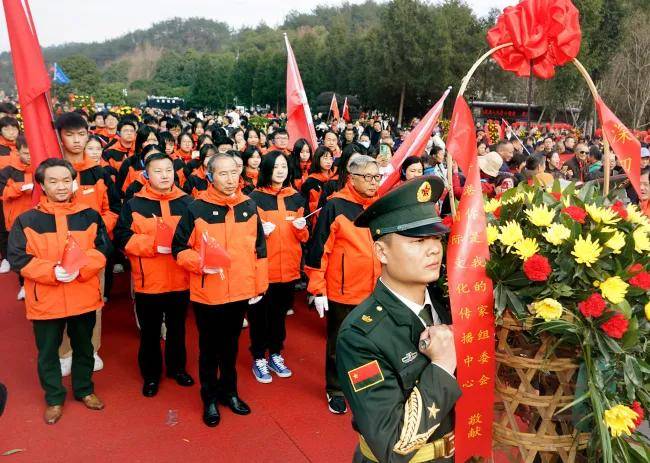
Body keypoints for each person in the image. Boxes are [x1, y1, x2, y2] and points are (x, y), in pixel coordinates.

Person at [336, 175, 459, 463]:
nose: (433, 249)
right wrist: (441, 366)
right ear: (382, 251)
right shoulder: (360, 335)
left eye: (436, 238)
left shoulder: (446, 305)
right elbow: (392, 445)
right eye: (417, 241)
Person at [7, 158, 112, 425]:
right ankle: (54, 397)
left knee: (84, 348)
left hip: (82, 295)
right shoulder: (27, 220)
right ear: (41, 184)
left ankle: (84, 389)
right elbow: (18, 257)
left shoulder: (89, 215)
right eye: (53, 181)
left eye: (66, 180)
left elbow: (103, 249)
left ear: (74, 182)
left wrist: (83, 267)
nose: (61, 186)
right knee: (47, 352)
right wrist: (51, 272)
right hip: (46, 299)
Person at [172, 153, 268, 427]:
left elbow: (260, 249)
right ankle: (209, 398)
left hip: (239, 291)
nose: (229, 179)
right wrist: (200, 264)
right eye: (222, 174)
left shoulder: (249, 206)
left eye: (233, 173)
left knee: (231, 346)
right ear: (210, 176)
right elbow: (179, 249)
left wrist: (259, 285)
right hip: (209, 292)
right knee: (209, 348)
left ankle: (230, 392)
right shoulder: (196, 208)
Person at [305, 154, 381, 414]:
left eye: (377, 177)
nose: (373, 183)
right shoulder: (335, 206)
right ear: (353, 178)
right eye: (368, 177)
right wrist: (317, 288)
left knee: (370, 342)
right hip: (343, 289)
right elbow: (318, 250)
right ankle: (335, 389)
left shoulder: (379, 205)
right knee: (339, 344)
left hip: (374, 290)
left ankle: (363, 384)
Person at [115, 153, 194, 397]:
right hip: (148, 281)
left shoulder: (188, 202)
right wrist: (151, 245)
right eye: (158, 171)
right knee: (149, 332)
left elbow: (198, 234)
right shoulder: (134, 204)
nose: (164, 175)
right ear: (147, 175)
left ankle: (177, 368)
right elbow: (121, 236)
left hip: (180, 279)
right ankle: (151, 375)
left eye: (169, 170)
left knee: (178, 328)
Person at [55, 112, 121, 374]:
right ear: (59, 136)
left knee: (92, 301)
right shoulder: (52, 170)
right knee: (61, 302)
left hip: (93, 249)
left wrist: (98, 231)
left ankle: (91, 350)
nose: (76, 140)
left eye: (81, 134)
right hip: (58, 248)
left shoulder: (99, 172)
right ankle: (64, 352)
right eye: (69, 134)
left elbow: (113, 208)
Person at [248, 152, 308, 383]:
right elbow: (244, 236)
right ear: (267, 170)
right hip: (264, 269)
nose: (281, 171)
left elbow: (304, 237)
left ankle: (275, 353)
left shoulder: (296, 198)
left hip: (289, 269)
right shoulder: (253, 198)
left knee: (279, 315)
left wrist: (301, 228)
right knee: (259, 316)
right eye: (275, 167)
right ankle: (258, 356)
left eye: (284, 166)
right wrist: (259, 232)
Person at [0, 135, 32, 300]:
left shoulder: (42, 166)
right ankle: (23, 285)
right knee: (21, 255)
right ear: (17, 151)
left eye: (31, 153)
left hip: (37, 219)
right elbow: (2, 193)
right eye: (25, 153)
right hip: (16, 220)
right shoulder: (8, 171)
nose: (29, 157)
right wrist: (22, 187)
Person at [300, 146, 335, 219]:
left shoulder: (335, 179)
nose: (329, 161)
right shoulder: (310, 182)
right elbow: (304, 205)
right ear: (317, 159)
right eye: (325, 158)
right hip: (316, 218)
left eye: (331, 158)